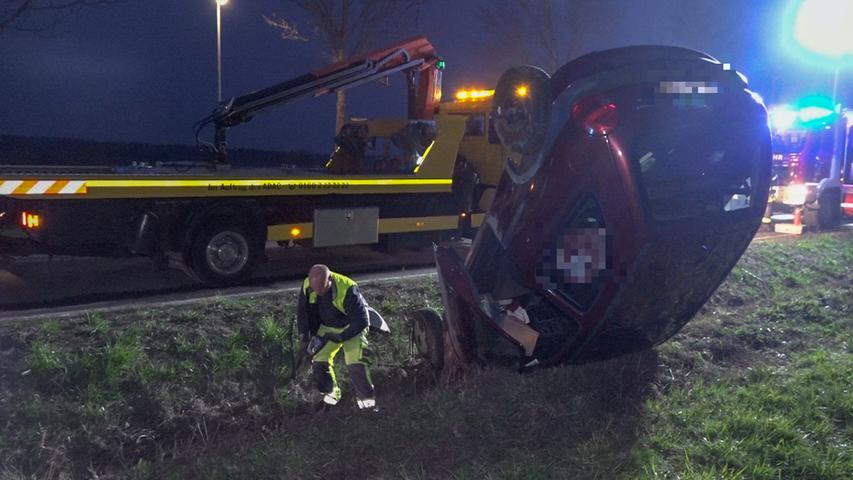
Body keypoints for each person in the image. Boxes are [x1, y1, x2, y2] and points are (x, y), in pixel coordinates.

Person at [296, 264, 377, 411]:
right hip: (327, 327)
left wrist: (341, 337)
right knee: (319, 363)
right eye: (316, 290)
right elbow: (303, 313)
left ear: (330, 279)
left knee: (356, 363)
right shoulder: (308, 286)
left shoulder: (348, 289)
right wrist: (304, 335)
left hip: (351, 327)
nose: (319, 293)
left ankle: (368, 405)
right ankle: (331, 398)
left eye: (322, 289)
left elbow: (362, 321)